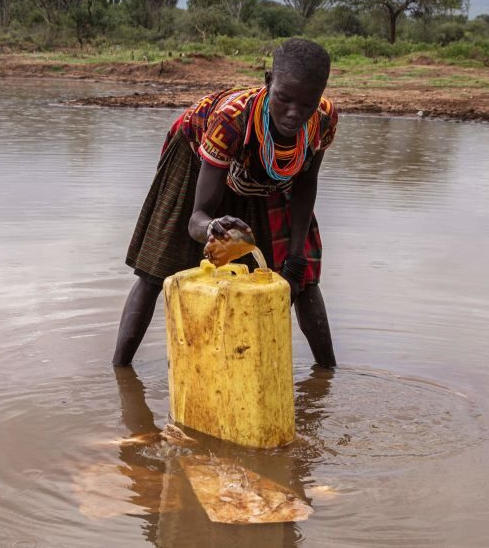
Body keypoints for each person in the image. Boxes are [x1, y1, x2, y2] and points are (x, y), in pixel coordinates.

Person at [113, 38, 338, 368]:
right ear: (268, 82)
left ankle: (328, 373)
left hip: (270, 171)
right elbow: (197, 219)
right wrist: (212, 228)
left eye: (306, 104)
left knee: (301, 279)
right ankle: (120, 372)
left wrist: (294, 258)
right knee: (157, 269)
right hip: (196, 159)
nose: (294, 113)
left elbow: (306, 184)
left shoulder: (322, 120)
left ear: (320, 95)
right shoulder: (231, 120)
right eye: (284, 98)